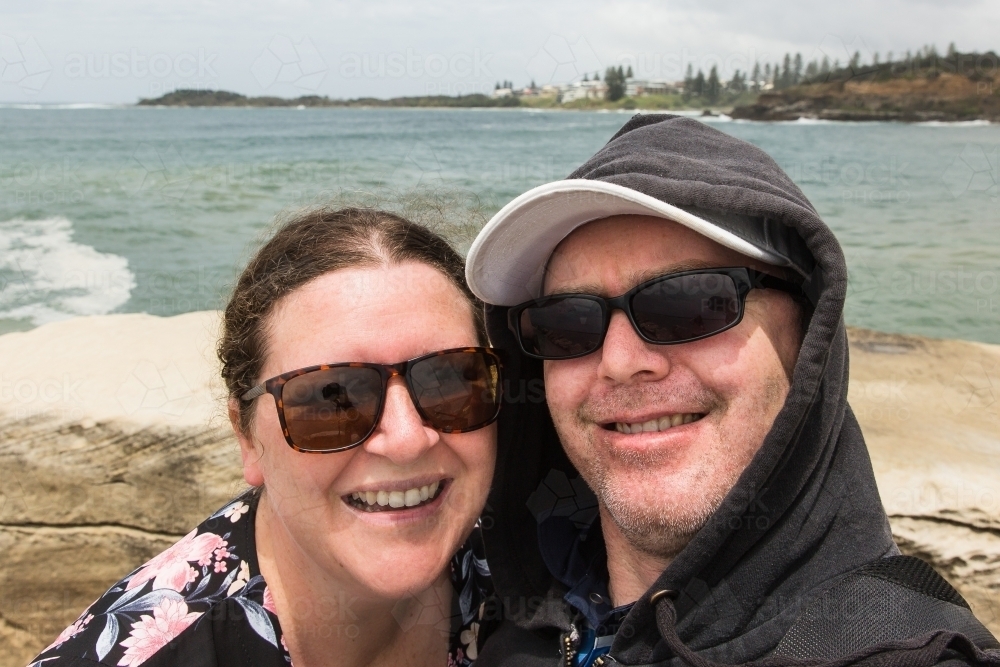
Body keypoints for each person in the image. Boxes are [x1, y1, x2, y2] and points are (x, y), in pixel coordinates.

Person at [464, 115, 1000, 666]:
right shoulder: (517, 615)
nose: (621, 362)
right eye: (568, 324)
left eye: (691, 304)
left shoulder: (907, 652)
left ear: (808, 340)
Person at [29, 207, 500, 667]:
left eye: (451, 380)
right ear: (248, 438)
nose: (406, 440)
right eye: (330, 397)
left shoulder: (530, 553)